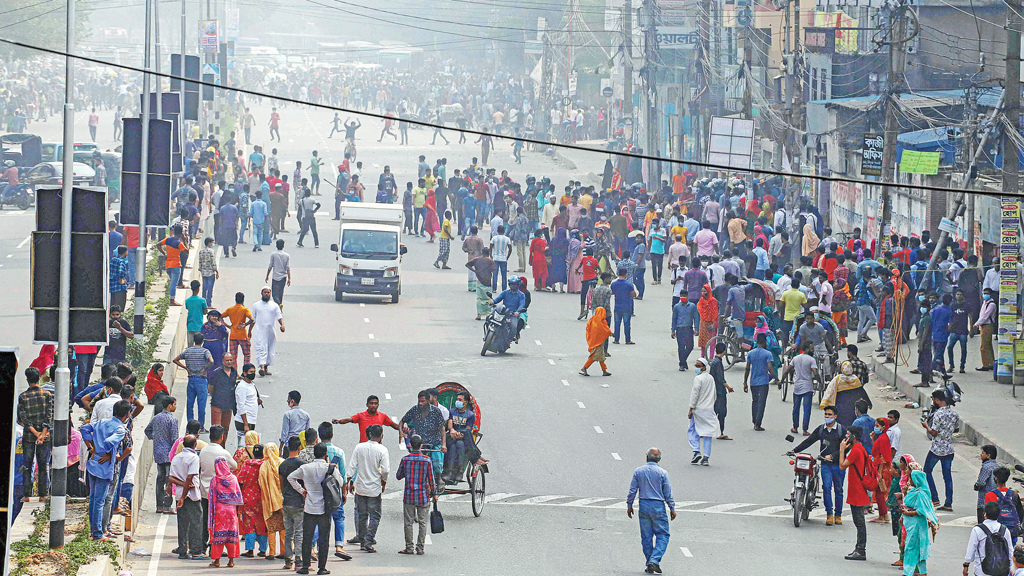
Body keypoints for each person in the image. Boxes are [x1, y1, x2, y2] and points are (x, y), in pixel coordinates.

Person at [288, 443, 344, 575]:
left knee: (307, 538)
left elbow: (291, 477)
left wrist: (302, 490)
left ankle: (305, 566)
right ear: (326, 455)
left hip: (309, 507)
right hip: (325, 508)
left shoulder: (306, 468)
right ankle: (322, 568)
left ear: (314, 454)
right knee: (324, 539)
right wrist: (334, 468)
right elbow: (340, 483)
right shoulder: (330, 468)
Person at [791, 405, 846, 525]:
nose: (827, 417)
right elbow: (808, 441)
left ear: (835, 416)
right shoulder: (821, 429)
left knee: (839, 490)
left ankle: (838, 515)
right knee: (826, 488)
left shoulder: (842, 430)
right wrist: (794, 451)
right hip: (825, 465)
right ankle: (829, 514)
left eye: (829, 415)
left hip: (838, 465)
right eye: (826, 414)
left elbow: (846, 448)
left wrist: (832, 456)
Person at [626, 448, 676, 574]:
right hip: (658, 506)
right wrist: (672, 508)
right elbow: (667, 493)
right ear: (659, 459)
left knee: (646, 537)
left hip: (643, 505)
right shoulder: (663, 473)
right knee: (663, 535)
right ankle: (654, 560)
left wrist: (629, 505)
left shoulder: (638, 471)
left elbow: (633, 490)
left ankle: (650, 562)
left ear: (646, 457)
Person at [346, 424, 390, 553]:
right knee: (375, 516)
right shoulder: (382, 450)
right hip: (374, 488)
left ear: (369, 435)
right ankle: (369, 541)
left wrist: (349, 481)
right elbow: (385, 470)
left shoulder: (359, 447)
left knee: (362, 515)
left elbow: (352, 467)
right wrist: (383, 481)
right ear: (381, 436)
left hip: (360, 487)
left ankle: (362, 540)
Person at [396, 434, 437, 555]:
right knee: (422, 522)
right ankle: (420, 548)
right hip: (423, 496)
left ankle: (409, 547)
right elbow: (431, 479)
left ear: (410, 445)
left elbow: (398, 476)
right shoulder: (427, 460)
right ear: (421, 446)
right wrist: (434, 494)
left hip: (409, 496)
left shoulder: (405, 459)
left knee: (408, 522)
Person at [17, 367, 52, 502]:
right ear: (39, 378)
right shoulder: (47, 394)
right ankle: (43, 495)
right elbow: (49, 416)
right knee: (43, 465)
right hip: (44, 436)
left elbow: (23, 419)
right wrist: (42, 433)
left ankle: (27, 496)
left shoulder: (23, 397)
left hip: (29, 436)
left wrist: (35, 433)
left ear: (27, 380)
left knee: (27, 465)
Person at [168, 434, 205, 559]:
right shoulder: (194, 458)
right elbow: (190, 477)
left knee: (182, 523)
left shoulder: (177, 457)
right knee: (196, 522)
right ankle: (196, 551)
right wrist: (185, 491)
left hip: (179, 494)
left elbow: (171, 477)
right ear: (195, 445)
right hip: (191, 495)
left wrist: (181, 486)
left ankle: (182, 550)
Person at [839, 425, 871, 561]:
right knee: (859, 521)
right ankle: (859, 548)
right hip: (857, 489)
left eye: (848, 435)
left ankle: (861, 550)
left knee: (859, 522)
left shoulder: (856, 450)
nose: (846, 437)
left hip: (857, 490)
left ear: (854, 436)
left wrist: (842, 450)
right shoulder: (860, 448)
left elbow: (842, 465)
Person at [923, 389, 958, 511]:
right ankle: (948, 503)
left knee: (926, 471)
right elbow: (956, 429)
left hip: (937, 448)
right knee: (947, 476)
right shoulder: (954, 414)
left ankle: (934, 497)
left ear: (937, 400)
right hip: (948, 448)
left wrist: (926, 426)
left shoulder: (938, 414)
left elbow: (934, 432)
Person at [900, 469, 939, 576]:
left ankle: (907, 572)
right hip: (912, 524)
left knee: (911, 548)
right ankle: (923, 572)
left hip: (917, 525)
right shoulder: (914, 491)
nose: (910, 479)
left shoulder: (921, 493)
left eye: (912, 477)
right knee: (918, 548)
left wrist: (909, 513)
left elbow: (922, 510)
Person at [173, 333, 213, 432]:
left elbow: (175, 360)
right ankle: (201, 427)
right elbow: (211, 361)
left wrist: (186, 368)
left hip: (191, 379)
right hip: (201, 379)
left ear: (194, 340)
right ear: (202, 341)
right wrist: (204, 368)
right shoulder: (205, 351)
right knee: (201, 405)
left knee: (190, 404)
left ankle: (190, 427)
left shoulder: (188, 351)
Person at [207, 456, 243, 568]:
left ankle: (217, 561)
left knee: (219, 534)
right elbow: (238, 496)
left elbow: (211, 496)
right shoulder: (233, 478)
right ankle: (231, 561)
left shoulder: (215, 480)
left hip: (219, 510)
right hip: (231, 511)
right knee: (231, 534)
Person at [964, 502, 1013, 576]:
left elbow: (971, 549)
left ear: (985, 514)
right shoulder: (1005, 530)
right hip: (1001, 570)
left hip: (982, 571)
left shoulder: (977, 530)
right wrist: (1012, 568)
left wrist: (966, 565)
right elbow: (1010, 551)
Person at [237, 443, 268, 558]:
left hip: (248, 498)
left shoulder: (247, 464)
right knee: (262, 523)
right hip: (262, 498)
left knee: (249, 523)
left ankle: (250, 550)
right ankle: (263, 549)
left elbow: (240, 480)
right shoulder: (265, 465)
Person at [278, 436, 305, 570]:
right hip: (299, 502)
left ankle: (288, 561)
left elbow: (281, 484)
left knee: (288, 532)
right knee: (299, 532)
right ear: (299, 447)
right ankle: (299, 561)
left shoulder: (282, 465)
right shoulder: (302, 464)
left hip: (287, 501)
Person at [258, 443, 287, 562]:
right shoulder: (282, 462)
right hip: (282, 501)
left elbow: (261, 484)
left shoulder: (263, 466)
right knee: (283, 526)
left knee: (271, 527)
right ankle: (284, 551)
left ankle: (272, 551)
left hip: (269, 501)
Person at [743, 334, 777, 431]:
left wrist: (745, 382)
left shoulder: (750, 353)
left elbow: (747, 368)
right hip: (763, 381)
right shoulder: (768, 354)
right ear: (765, 342)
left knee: (755, 401)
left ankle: (754, 421)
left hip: (753, 381)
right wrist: (776, 378)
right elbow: (770, 367)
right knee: (761, 402)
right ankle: (758, 423)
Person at [332, 395, 401, 443]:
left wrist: (406, 429)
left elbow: (394, 425)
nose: (373, 406)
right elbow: (348, 419)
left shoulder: (382, 416)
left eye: (375, 403)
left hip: (377, 447)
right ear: (367, 405)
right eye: (371, 403)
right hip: (363, 447)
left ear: (378, 405)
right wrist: (338, 421)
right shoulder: (360, 416)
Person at [688, 358, 717, 466]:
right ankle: (706, 457)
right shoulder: (711, 378)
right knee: (707, 433)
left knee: (692, 430)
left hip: (698, 409)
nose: (696, 368)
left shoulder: (698, 379)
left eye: (698, 366)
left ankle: (696, 451)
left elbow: (695, 394)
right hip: (709, 409)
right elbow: (714, 394)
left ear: (704, 367)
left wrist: (691, 408)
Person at [784, 343, 819, 435]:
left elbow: (788, 370)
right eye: (811, 348)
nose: (813, 350)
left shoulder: (796, 358)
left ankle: (795, 427)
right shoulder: (811, 360)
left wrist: (781, 381)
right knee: (807, 409)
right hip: (808, 387)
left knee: (796, 408)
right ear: (807, 349)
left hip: (797, 387)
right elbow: (815, 373)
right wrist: (820, 381)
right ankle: (805, 430)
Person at [983, 466, 1023, 544]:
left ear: (995, 479)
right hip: (1012, 533)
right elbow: (1020, 514)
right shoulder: (1014, 494)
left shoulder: (989, 495)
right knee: (1010, 554)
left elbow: (986, 516)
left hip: (995, 534)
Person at [252, 286, 285, 376]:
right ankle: (262, 366)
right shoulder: (256, 305)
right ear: (261, 293)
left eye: (268, 292)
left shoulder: (274, 305)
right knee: (262, 347)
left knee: (270, 348)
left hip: (271, 331)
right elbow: (253, 319)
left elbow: (279, 316)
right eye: (265, 292)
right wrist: (249, 330)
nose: (267, 294)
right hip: (260, 330)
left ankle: (266, 368)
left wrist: (282, 325)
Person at [223, 292, 253, 370]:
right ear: (243, 300)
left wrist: (227, 325)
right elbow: (252, 320)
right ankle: (246, 372)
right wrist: (245, 325)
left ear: (235, 299)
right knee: (246, 355)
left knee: (233, 356)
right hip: (242, 335)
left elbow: (220, 317)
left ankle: (235, 373)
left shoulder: (230, 309)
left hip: (233, 335)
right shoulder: (244, 309)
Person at [580, 306, 613, 377]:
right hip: (599, 342)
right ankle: (584, 367)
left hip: (594, 341)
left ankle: (604, 370)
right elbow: (605, 330)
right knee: (594, 356)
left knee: (600, 356)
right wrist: (611, 333)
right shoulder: (601, 322)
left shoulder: (592, 320)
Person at [234, 366, 262, 445]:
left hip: (251, 419)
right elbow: (241, 406)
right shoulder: (242, 387)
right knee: (242, 446)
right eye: (251, 372)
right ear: (245, 373)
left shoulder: (251, 384)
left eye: (254, 372)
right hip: (244, 421)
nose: (253, 374)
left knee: (250, 446)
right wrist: (246, 424)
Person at [671, 294, 699, 371]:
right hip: (680, 329)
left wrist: (697, 329)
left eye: (684, 296)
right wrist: (673, 331)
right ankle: (682, 364)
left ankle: (683, 361)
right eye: (682, 296)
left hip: (689, 329)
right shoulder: (677, 307)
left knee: (690, 346)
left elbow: (696, 318)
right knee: (681, 347)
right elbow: (674, 319)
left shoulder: (692, 306)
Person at [466, 247, 496, 320]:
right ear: (488, 253)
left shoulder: (477, 259)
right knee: (488, 298)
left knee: (479, 298)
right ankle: (488, 314)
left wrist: (475, 270)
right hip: (488, 281)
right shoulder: (490, 261)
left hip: (479, 280)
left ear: (482, 253)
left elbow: (467, 264)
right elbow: (494, 270)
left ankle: (479, 314)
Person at [611, 267, 638, 344]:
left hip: (617, 306)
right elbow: (633, 294)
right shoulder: (629, 285)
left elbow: (612, 292)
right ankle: (627, 340)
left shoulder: (614, 284)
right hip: (627, 306)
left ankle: (616, 339)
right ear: (626, 274)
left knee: (617, 324)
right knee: (627, 324)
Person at [975, 445, 1000, 524]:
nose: (981, 455)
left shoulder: (986, 467)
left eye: (983, 453)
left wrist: (976, 486)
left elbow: (981, 483)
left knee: (983, 524)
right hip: (995, 500)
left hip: (984, 500)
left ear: (988, 456)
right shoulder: (997, 466)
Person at [266, 240, 291, 307]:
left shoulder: (273, 255)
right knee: (280, 293)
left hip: (275, 277)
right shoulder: (287, 255)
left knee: (274, 294)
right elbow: (288, 268)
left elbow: (270, 266)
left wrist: (267, 276)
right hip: (283, 277)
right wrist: (289, 278)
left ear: (276, 246)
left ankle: (279, 304)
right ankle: (280, 305)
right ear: (283, 246)